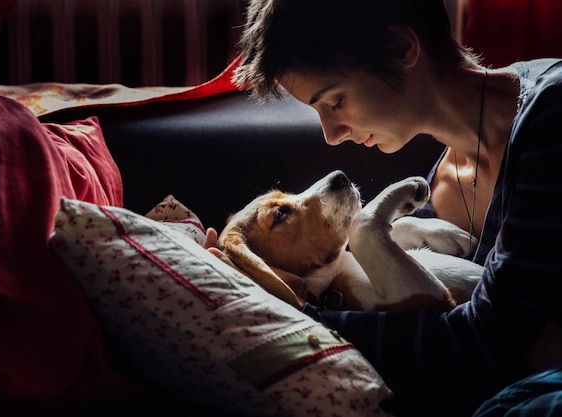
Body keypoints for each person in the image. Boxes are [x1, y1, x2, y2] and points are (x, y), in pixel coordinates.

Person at [206, 0, 562, 416]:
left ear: (401, 48)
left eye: (335, 102)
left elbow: (480, 346)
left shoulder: (550, 121)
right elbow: (421, 325)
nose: (332, 135)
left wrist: (290, 316)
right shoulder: (442, 183)